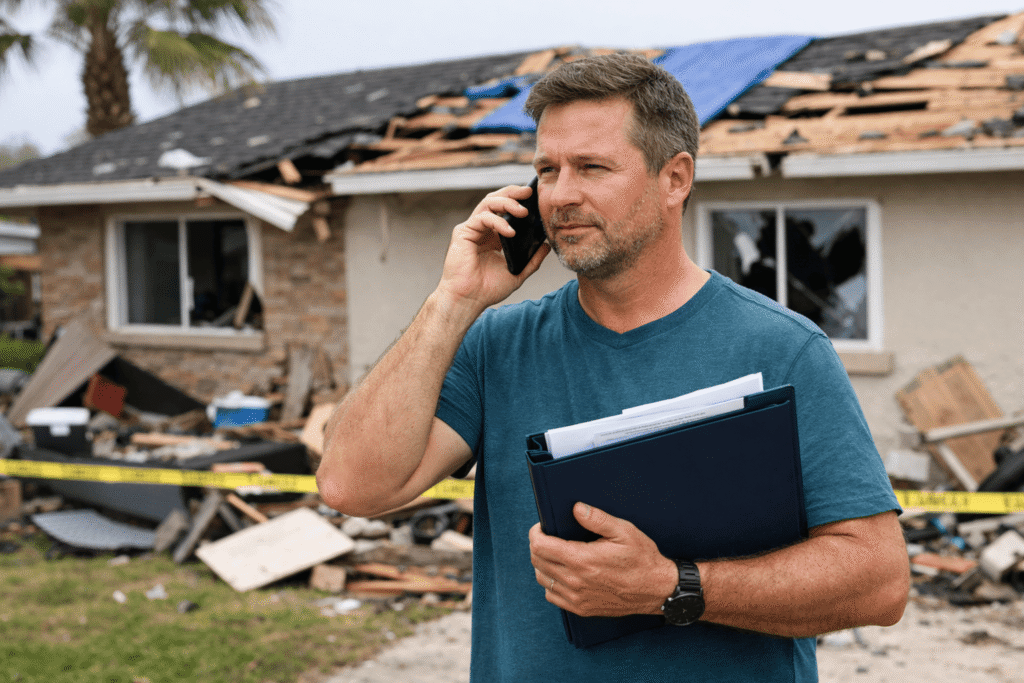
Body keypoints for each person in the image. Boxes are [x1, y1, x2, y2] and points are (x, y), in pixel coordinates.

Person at [317, 52, 909, 682]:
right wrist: (453, 300)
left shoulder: (782, 348)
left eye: (592, 168)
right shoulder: (496, 345)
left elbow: (878, 582)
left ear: (675, 178)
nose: (561, 195)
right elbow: (351, 487)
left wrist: (673, 586)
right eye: (547, 170)